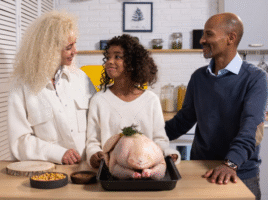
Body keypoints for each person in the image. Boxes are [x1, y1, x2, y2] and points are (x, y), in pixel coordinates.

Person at [165, 13, 267, 199]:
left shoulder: (255, 78)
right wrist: (147, 138)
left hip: (239, 174)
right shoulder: (198, 77)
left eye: (208, 34)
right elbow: (183, 121)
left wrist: (231, 164)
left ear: (231, 37)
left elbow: (251, 128)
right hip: (201, 170)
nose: (202, 40)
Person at [7, 10, 96, 165]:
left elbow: (97, 126)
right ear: (49, 49)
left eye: (75, 43)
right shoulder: (21, 85)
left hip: (85, 171)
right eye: (69, 46)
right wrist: (58, 154)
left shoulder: (82, 78)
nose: (75, 51)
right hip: (46, 172)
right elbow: (19, 141)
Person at [86, 34, 180, 169]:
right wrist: (94, 154)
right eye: (108, 57)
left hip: (146, 169)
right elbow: (93, 142)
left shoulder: (151, 100)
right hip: (111, 170)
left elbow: (160, 140)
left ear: (132, 62)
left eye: (117, 56)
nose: (110, 61)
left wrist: (167, 153)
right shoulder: (98, 101)